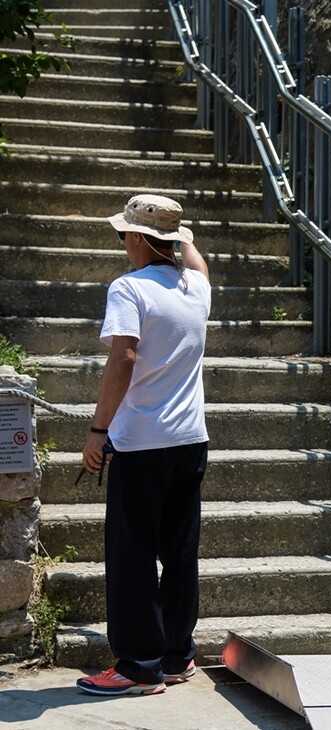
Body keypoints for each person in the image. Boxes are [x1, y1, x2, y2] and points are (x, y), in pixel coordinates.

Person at [76, 194, 211, 696]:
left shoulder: (128, 289)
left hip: (140, 443)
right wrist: (183, 238)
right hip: (190, 440)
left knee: (131, 556)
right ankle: (176, 656)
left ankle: (137, 666)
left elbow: (124, 358)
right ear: (173, 240)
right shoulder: (195, 287)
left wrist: (97, 430)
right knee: (179, 553)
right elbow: (197, 260)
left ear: (135, 237)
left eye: (123, 234)